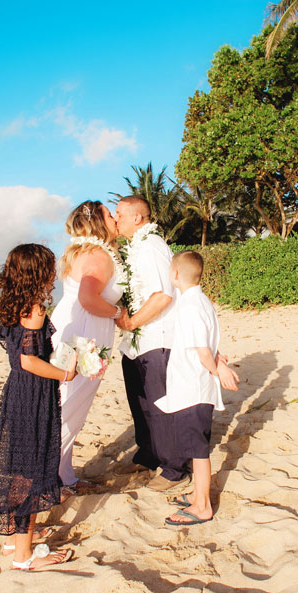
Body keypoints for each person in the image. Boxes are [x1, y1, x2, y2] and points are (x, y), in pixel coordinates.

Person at [0, 243, 77, 571]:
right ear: (39, 273)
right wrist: (66, 372)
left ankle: (13, 539)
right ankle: (24, 556)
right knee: (33, 472)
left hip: (19, 393)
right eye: (50, 268)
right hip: (33, 395)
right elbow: (28, 361)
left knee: (20, 469)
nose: (54, 274)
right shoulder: (33, 309)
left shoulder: (13, 305)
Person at [154, 251, 239, 526]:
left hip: (193, 387)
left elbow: (203, 351)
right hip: (194, 386)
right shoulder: (201, 301)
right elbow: (208, 342)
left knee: (199, 450)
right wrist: (219, 358)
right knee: (195, 446)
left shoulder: (190, 306)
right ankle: (197, 495)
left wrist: (218, 368)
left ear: (176, 274)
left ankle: (203, 506)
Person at [50, 201, 124, 493]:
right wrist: (119, 314)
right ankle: (48, 478)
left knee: (65, 403)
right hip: (82, 335)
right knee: (69, 406)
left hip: (75, 327)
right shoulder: (97, 255)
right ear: (97, 222)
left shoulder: (85, 252)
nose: (115, 217)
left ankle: (63, 475)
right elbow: (88, 299)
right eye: (109, 214)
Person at [112, 196, 185, 491]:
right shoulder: (135, 249)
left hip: (156, 338)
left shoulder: (152, 247)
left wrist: (131, 322)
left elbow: (163, 295)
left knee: (159, 405)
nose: (115, 220)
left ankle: (174, 468)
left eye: (119, 215)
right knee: (139, 403)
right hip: (136, 343)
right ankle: (148, 454)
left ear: (138, 219)